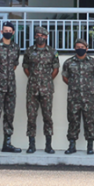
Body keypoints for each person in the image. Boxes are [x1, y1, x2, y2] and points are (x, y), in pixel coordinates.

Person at [61, 39, 94, 154]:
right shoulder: (69, 62)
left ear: (87, 49)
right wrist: (74, 86)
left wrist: (89, 87)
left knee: (90, 121)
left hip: (89, 98)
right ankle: (72, 145)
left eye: (82, 47)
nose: (80, 49)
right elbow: (65, 77)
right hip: (73, 97)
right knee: (73, 120)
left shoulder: (93, 62)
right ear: (75, 48)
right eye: (78, 46)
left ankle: (90, 146)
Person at [22, 26, 59, 154]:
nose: (40, 37)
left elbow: (56, 69)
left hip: (47, 89)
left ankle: (48, 145)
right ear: (35, 36)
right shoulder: (29, 51)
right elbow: (25, 67)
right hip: (32, 88)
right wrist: (33, 78)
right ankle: (31, 145)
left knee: (47, 117)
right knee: (31, 117)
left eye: (43, 35)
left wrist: (47, 80)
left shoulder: (52, 52)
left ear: (47, 37)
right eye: (38, 35)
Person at [0, 21, 22, 155]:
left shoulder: (15, 47)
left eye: (10, 30)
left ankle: (7, 143)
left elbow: (14, 65)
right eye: (5, 30)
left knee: (9, 115)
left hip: (11, 87)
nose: (7, 32)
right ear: (1, 32)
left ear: (13, 32)